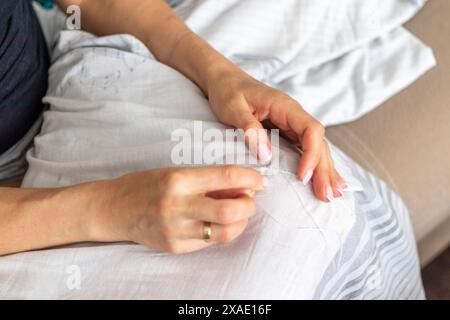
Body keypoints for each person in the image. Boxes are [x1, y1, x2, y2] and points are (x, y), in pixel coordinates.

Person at [0, 0, 345, 256]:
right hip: (22, 213)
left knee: (300, 200)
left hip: (61, 68)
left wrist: (220, 74)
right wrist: (108, 208)